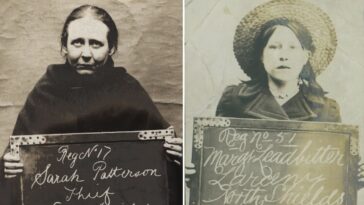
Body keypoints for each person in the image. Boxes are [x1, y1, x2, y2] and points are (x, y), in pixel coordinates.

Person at [1, 4, 182, 205]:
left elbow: (162, 159)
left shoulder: (128, 91)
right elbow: (16, 158)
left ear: (111, 48)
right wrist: (8, 166)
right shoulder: (46, 92)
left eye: (96, 44)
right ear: (64, 46)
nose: (86, 53)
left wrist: (175, 154)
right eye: (77, 43)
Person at [186, 0, 364, 188]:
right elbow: (218, 164)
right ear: (261, 55)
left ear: (305, 56)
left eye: (292, 47)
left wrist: (354, 178)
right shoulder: (235, 100)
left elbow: (332, 176)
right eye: (274, 47)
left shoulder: (327, 109)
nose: (283, 55)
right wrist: (199, 175)